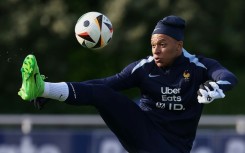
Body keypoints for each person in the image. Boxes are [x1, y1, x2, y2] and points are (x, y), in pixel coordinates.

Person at [18, 15, 238, 153]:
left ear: (179, 45)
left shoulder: (199, 66)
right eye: (153, 45)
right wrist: (51, 92)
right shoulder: (144, 67)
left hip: (172, 147)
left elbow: (226, 75)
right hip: (141, 129)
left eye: (162, 44)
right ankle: (41, 87)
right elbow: (103, 85)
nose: (156, 50)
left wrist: (218, 87)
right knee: (103, 93)